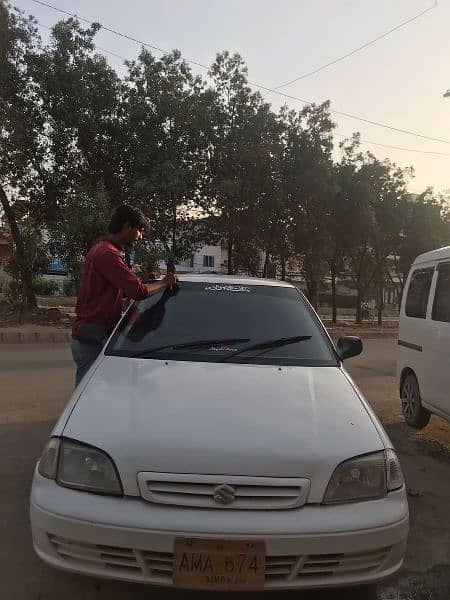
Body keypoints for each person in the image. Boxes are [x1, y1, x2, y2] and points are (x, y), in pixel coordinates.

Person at [71, 205, 177, 386]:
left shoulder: (101, 249)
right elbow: (138, 291)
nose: (141, 237)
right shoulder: (108, 254)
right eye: (140, 231)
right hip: (92, 339)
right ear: (128, 226)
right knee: (90, 396)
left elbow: (118, 289)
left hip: (89, 335)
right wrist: (164, 283)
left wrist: (146, 282)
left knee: (95, 393)